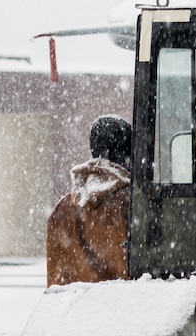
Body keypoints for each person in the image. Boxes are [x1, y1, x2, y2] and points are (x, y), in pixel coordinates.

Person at [46, 116, 133, 285]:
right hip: (120, 307)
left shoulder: (62, 208)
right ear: (128, 153)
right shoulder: (131, 203)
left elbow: (55, 276)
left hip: (74, 307)